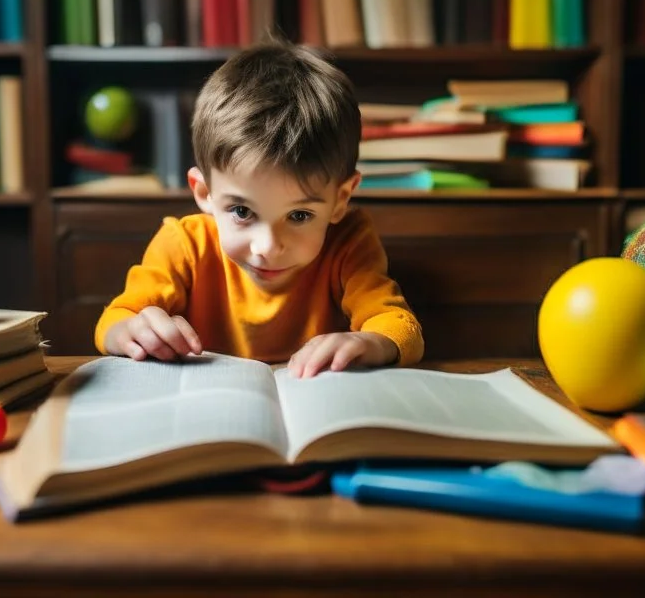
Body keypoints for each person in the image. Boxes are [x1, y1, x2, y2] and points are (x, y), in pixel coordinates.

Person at [93, 40, 423, 378]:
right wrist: (128, 332)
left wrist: (371, 342)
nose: (267, 248)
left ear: (341, 200)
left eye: (299, 215)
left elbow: (400, 328)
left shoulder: (350, 241)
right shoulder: (183, 245)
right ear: (205, 193)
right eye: (241, 211)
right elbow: (115, 320)